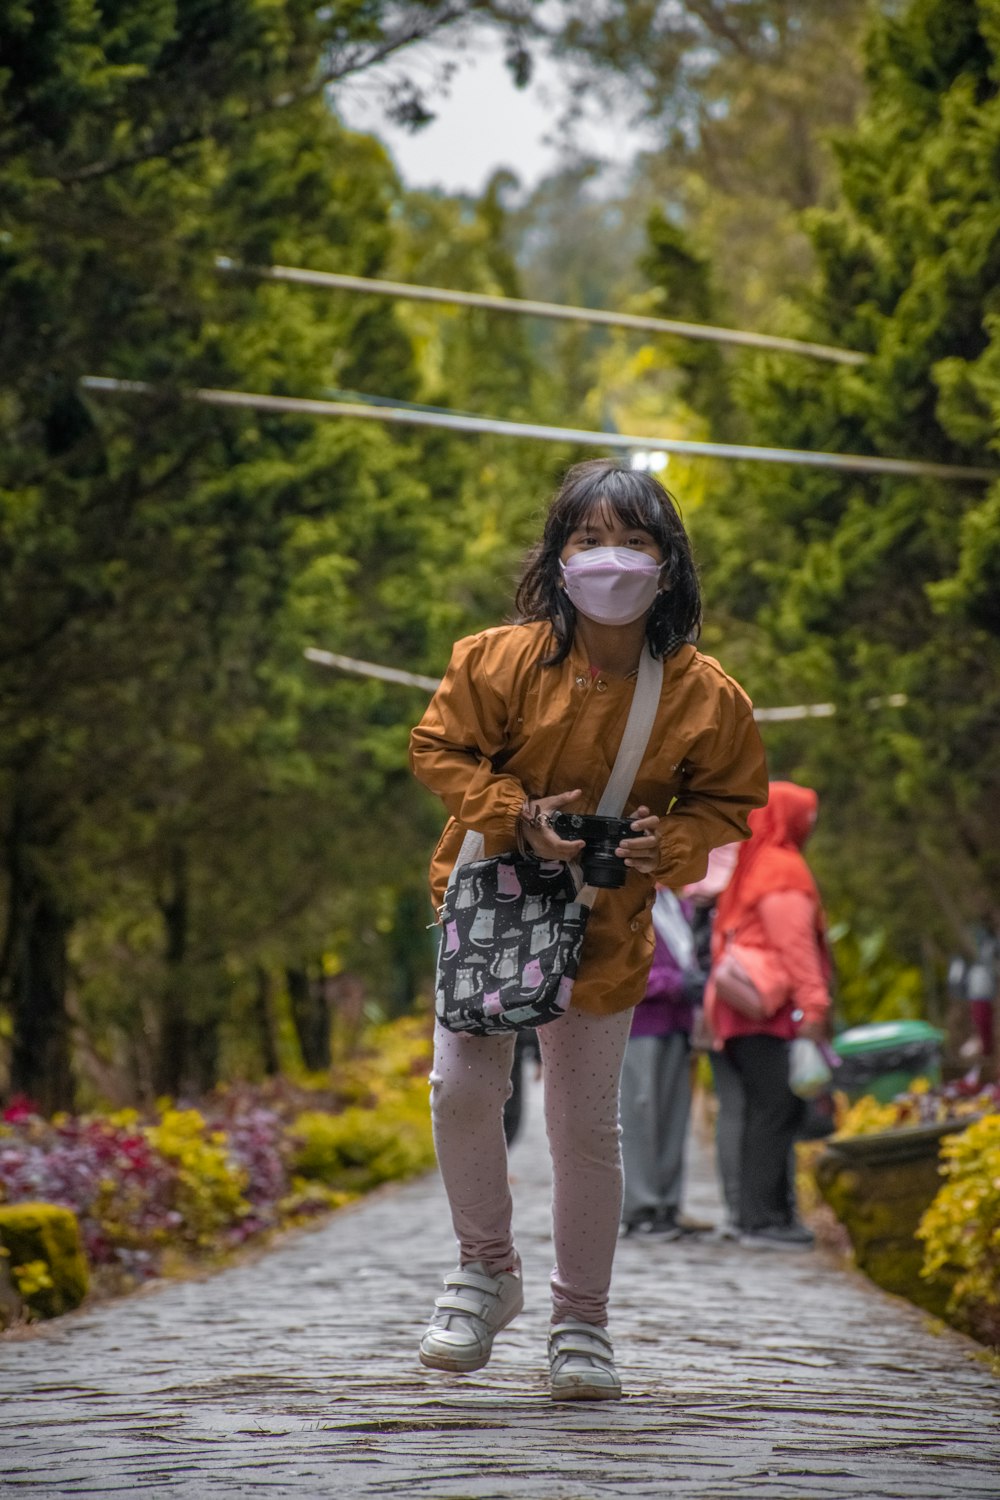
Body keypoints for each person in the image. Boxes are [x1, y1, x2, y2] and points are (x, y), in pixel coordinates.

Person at [409, 457, 768, 1401]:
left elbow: (730, 800)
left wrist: (669, 841)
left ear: (668, 565)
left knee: (584, 1129)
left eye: (635, 542)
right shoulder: (493, 659)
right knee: (458, 1089)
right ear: (558, 558)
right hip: (488, 905)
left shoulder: (706, 694)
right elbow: (436, 744)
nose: (612, 561)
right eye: (590, 540)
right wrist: (514, 812)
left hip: (604, 924)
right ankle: (486, 1272)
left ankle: (582, 1325)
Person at [704, 781, 832, 1250]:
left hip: (743, 1010)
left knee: (766, 1109)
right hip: (766, 1011)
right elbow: (796, 946)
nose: (812, 824)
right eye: (807, 814)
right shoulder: (782, 870)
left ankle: (764, 1215)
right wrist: (815, 1004)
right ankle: (763, 1219)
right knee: (775, 1110)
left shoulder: (753, 863)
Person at [619, 887, 704, 1238]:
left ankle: (667, 1206)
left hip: (678, 1023)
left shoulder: (674, 902)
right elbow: (621, 968)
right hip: (641, 1024)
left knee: (673, 1117)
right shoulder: (628, 898)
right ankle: (640, 1208)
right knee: (638, 1117)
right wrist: (675, 984)